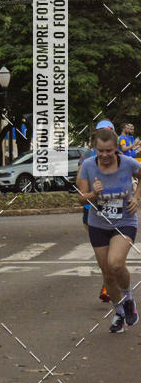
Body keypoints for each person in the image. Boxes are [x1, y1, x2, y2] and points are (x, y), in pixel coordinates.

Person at [77, 126, 140, 332]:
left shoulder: (128, 163)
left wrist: (136, 197)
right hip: (98, 224)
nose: (104, 155)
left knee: (116, 263)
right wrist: (93, 194)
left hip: (124, 221)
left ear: (116, 149)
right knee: (107, 274)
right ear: (95, 149)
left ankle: (128, 299)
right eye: (100, 151)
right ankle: (119, 313)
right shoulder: (88, 166)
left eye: (109, 151)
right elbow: (81, 198)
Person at [81, 119, 113, 302]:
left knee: (115, 252)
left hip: (117, 210)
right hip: (92, 209)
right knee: (102, 252)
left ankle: (108, 285)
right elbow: (80, 183)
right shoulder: (87, 156)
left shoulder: (119, 154)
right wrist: (90, 193)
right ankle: (107, 281)